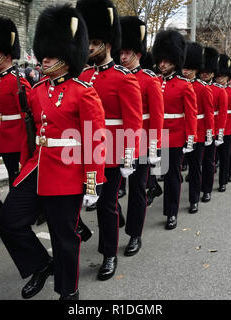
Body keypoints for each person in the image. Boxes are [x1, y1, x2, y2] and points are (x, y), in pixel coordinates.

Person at [0, 4, 106, 300]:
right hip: (37, 166)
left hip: (68, 172)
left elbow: (95, 140)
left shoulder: (84, 92)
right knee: (8, 222)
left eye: (53, 53)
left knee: (63, 236)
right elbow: (30, 133)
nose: (45, 58)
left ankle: (68, 292)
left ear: (68, 56)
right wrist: (21, 164)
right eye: (44, 51)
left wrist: (93, 181)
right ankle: (41, 264)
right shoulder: (38, 89)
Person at [77, 0, 143, 281]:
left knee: (106, 204)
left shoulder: (124, 78)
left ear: (106, 44)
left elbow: (133, 122)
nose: (89, 47)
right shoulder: (83, 75)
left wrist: (129, 155)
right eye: (87, 42)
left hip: (113, 150)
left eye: (94, 42)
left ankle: (109, 254)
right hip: (84, 150)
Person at [119, 16, 164, 255]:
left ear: (137, 54)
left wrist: (156, 147)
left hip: (144, 142)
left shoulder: (149, 80)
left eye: (127, 53)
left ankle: (135, 234)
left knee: (137, 189)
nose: (123, 57)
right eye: (121, 53)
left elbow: (157, 116)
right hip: (117, 141)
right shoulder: (116, 77)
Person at [152, 32, 197, 226]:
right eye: (160, 60)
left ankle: (171, 212)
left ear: (174, 61)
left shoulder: (184, 86)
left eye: (167, 61)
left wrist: (190, 138)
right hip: (156, 135)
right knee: (153, 172)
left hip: (175, 136)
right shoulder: (155, 82)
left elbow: (191, 114)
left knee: (172, 176)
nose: (162, 64)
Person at [0, 16, 32, 188]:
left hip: (16, 140)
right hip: (2, 136)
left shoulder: (17, 80)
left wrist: (25, 145)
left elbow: (26, 114)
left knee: (16, 181)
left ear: (8, 55)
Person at [182, 42, 214, 214]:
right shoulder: (177, 84)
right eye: (184, 68)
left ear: (195, 69)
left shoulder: (203, 88)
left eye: (188, 68)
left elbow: (209, 113)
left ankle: (195, 198)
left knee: (196, 167)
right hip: (179, 132)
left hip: (199, 132)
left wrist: (209, 134)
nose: (185, 71)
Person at [198, 47, 220, 203]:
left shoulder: (218, 90)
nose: (204, 74)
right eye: (203, 71)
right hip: (196, 129)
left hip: (211, 129)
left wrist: (212, 132)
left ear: (213, 73)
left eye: (207, 72)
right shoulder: (196, 87)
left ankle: (207, 189)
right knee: (196, 163)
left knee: (209, 161)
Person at [214, 54, 231, 192]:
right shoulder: (211, 89)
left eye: (222, 77)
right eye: (218, 76)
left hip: (227, 127)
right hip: (211, 126)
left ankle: (223, 181)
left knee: (225, 155)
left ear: (227, 78)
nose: (220, 79)